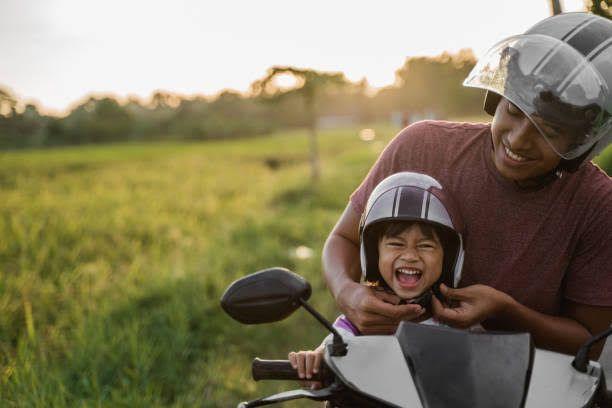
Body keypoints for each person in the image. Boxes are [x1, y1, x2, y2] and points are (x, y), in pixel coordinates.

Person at [322, 12, 612, 358]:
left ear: (580, 145)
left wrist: (506, 311)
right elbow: (344, 239)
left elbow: (588, 342)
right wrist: (348, 293)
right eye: (514, 112)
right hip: (387, 371)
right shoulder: (422, 146)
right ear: (495, 99)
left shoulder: (596, 206)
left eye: (548, 132)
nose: (519, 141)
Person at [289, 171, 468, 382]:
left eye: (426, 245)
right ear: (374, 254)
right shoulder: (362, 321)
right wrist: (315, 359)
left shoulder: (458, 321)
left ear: (448, 259)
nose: (410, 256)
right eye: (396, 244)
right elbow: (333, 346)